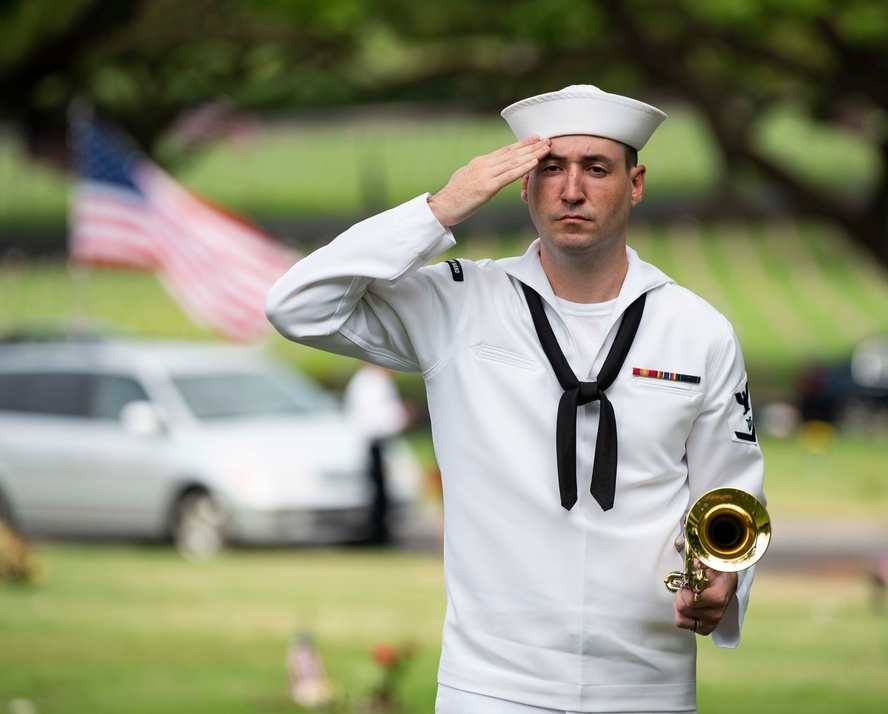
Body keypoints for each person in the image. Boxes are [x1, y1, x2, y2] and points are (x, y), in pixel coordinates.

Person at [266, 84, 765, 714]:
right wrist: (439, 209)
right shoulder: (457, 303)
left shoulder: (699, 330)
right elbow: (296, 305)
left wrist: (724, 577)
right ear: (523, 185)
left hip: (648, 685)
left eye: (597, 168)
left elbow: (732, 494)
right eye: (551, 168)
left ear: (636, 184)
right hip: (491, 686)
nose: (572, 189)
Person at [343, 363, 412, 544]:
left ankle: (380, 531)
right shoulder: (372, 381)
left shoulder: (370, 380)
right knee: (377, 491)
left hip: (376, 441)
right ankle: (377, 534)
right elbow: (374, 417)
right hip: (373, 441)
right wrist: (400, 417)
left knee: (380, 490)